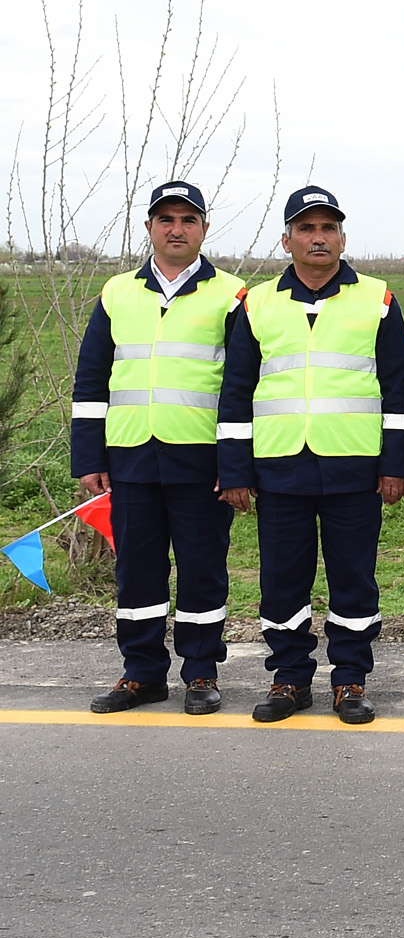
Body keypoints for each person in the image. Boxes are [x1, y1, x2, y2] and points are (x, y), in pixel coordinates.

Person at [218, 186, 404, 725]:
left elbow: (399, 390)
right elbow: (236, 391)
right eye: (306, 229)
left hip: (355, 467)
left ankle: (350, 679)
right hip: (279, 467)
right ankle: (289, 679)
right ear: (287, 239)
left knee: (354, 577)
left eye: (328, 229)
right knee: (283, 579)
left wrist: (396, 464)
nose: (318, 238)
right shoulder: (255, 304)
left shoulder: (378, 299)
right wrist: (234, 469)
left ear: (343, 238)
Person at [73, 182, 244, 715]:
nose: (176, 229)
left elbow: (242, 387)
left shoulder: (233, 295)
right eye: (165, 219)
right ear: (148, 227)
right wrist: (89, 458)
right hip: (130, 459)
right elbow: (92, 380)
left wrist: (236, 463)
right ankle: (142, 673)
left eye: (187, 220)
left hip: (200, 461)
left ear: (204, 229)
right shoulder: (117, 293)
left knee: (201, 568)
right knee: (138, 571)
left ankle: (200, 673)